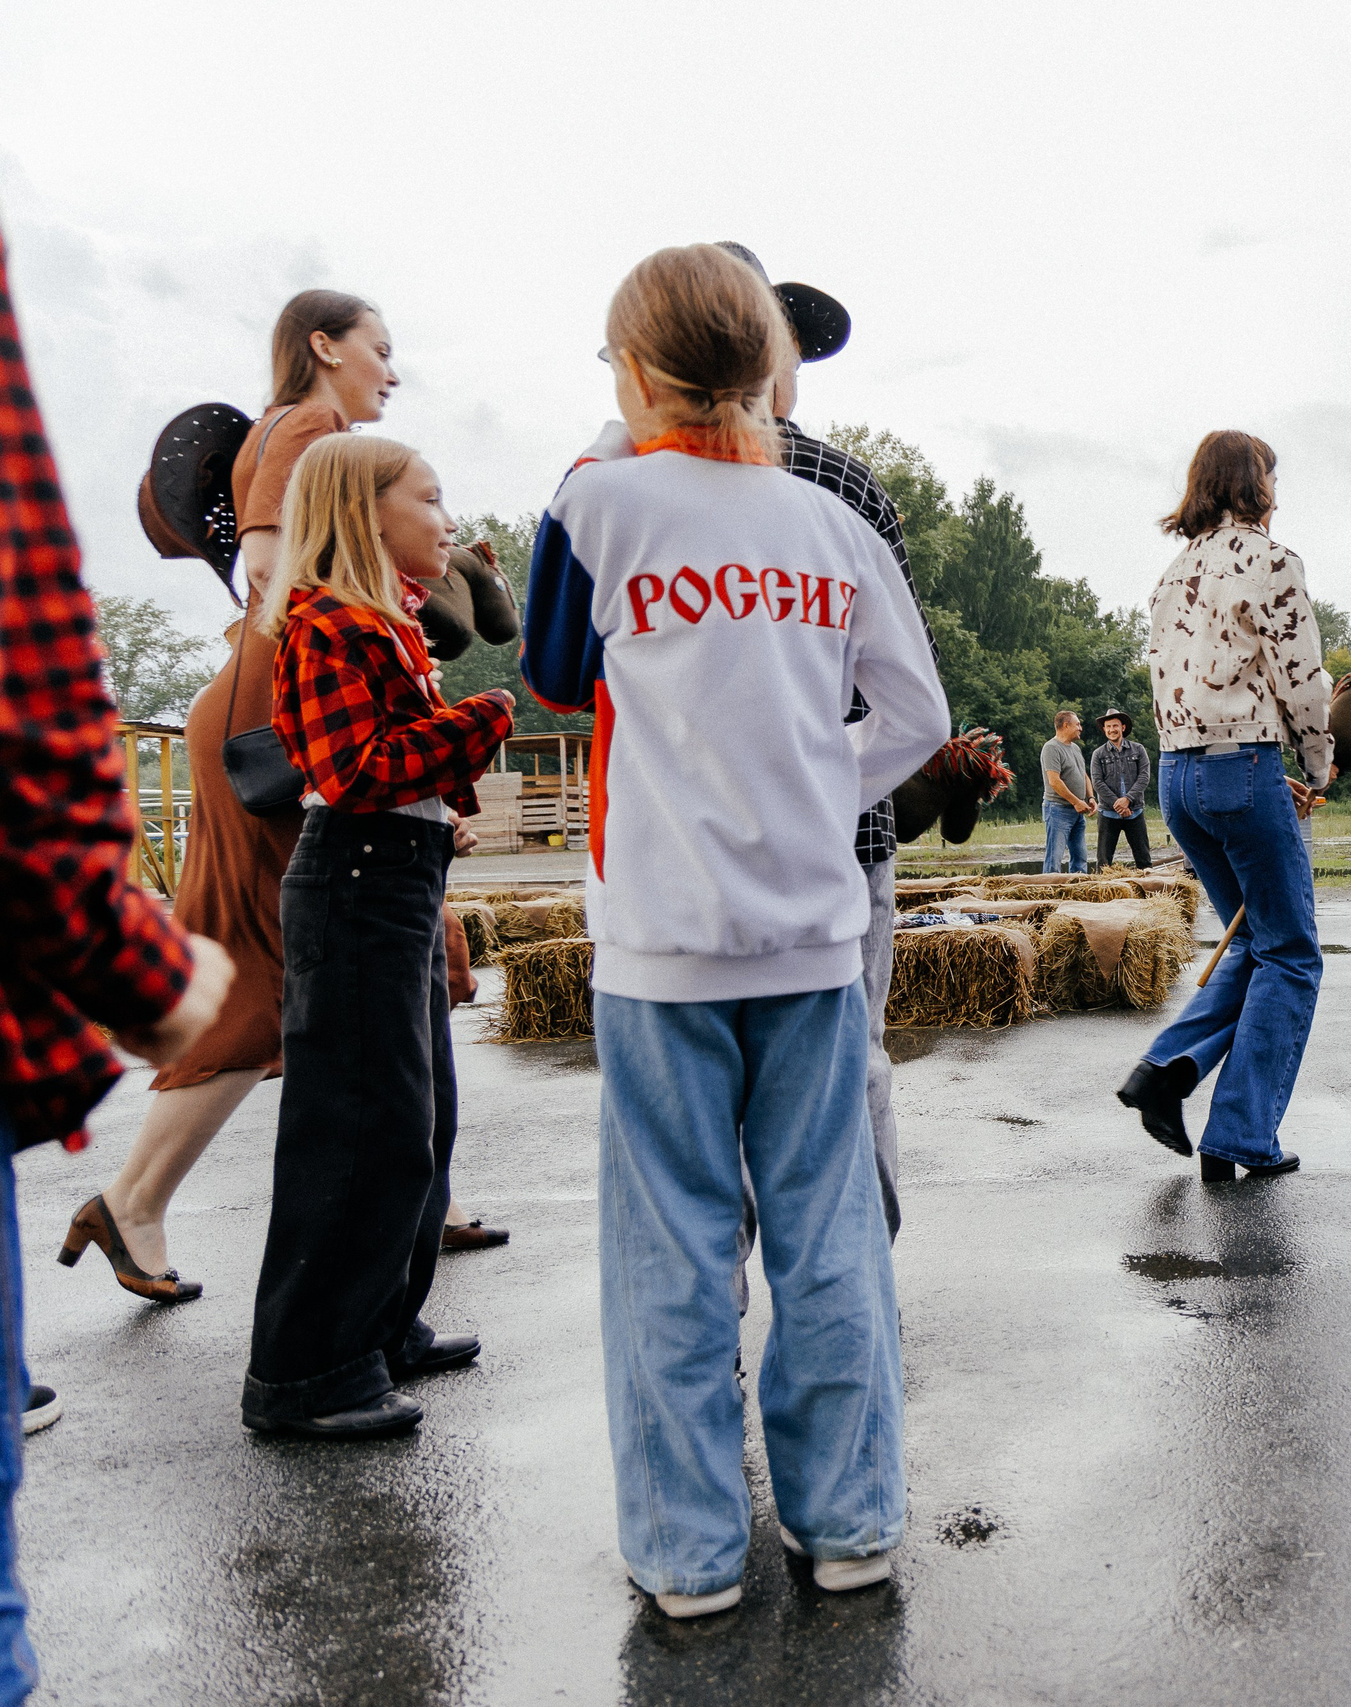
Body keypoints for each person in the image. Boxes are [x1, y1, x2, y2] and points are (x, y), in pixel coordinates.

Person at [523, 244, 945, 1618]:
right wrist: (825, 783)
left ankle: (693, 1550)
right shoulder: (837, 527)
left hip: (660, 938)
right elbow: (920, 722)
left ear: (634, 372)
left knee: (672, 1242)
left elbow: (551, 669)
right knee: (828, 1228)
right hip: (815, 931)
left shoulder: (602, 501)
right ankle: (853, 1519)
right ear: (773, 367)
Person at [1, 234, 238, 1705]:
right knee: (249, 1020)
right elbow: (26, 662)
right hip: (288, 810)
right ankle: (135, 1193)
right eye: (377, 340)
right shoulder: (289, 457)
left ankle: (134, 1196)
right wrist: (122, 952)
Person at [62, 291, 397, 1303]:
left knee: (355, 958)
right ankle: (135, 1201)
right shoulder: (309, 425)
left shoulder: (307, 433)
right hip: (272, 727)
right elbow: (266, 574)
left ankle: (414, 1196)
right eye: (381, 347)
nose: (392, 368)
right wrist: (285, 752)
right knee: (284, 970)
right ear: (323, 345)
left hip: (261, 717)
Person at [239, 435, 514, 1443]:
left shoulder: (385, 621)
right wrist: (483, 719)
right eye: (429, 498)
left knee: (416, 1120)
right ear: (365, 512)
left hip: (391, 875)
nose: (447, 519)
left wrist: (442, 801)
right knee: (359, 1125)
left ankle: (378, 1326)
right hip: (356, 878)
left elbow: (393, 763)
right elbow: (357, 768)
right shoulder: (327, 621)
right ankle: (305, 1371)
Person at [751, 240, 923, 1235]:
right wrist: (831, 784)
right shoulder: (844, 486)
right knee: (852, 1059)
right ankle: (854, 1290)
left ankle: (712, 1324)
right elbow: (908, 687)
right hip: (838, 835)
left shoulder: (623, 484)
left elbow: (565, 671)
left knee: (707, 1096)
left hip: (687, 850)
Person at [1115, 429, 1330, 1184]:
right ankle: (1240, 1134)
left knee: (1252, 945)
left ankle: (1165, 1070)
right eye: (1271, 473)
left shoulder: (1171, 575)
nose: (1277, 487)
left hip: (1176, 777)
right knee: (1292, 954)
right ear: (1252, 482)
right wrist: (1316, 759)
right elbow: (1301, 675)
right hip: (1243, 769)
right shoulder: (1271, 560)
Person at [1089, 709, 1153, 869]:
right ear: (1104, 729)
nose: (1112, 730)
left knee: (1144, 860)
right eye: (1108, 726)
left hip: (1135, 812)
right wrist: (1118, 804)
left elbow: (1144, 778)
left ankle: (1150, 893)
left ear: (1123, 727)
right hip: (1108, 813)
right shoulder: (1098, 754)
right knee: (1103, 863)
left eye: (1115, 726)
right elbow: (1097, 782)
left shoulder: (1138, 750)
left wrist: (1127, 800)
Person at [1041, 710, 1096, 873]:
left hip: (1077, 811)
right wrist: (1076, 801)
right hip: (1058, 809)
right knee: (1054, 858)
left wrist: (1091, 797)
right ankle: (1049, 892)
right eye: (1077, 724)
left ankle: (1078, 889)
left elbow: (1083, 775)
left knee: (1080, 856)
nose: (1080, 728)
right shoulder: (1051, 748)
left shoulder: (1075, 749)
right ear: (1066, 725)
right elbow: (1054, 781)